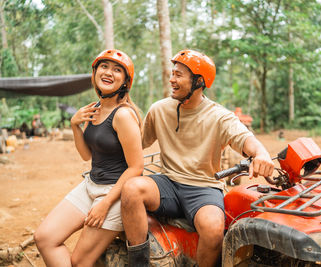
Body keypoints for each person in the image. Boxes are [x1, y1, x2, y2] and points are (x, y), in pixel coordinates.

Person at [121, 49, 274, 267]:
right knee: (131, 189)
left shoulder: (219, 116)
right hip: (168, 183)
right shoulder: (159, 109)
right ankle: (138, 264)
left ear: (199, 81)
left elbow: (244, 138)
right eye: (172, 74)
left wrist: (261, 153)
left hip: (204, 187)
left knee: (213, 230)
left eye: (179, 75)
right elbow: (138, 143)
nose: (172, 80)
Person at [34, 49, 143, 267]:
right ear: (94, 73)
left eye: (117, 69)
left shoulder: (123, 115)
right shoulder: (94, 109)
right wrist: (75, 125)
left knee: (79, 262)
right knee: (44, 238)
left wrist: (106, 204)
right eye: (104, 67)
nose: (109, 72)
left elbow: (136, 167)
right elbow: (86, 155)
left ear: (125, 81)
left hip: (115, 193)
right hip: (90, 185)